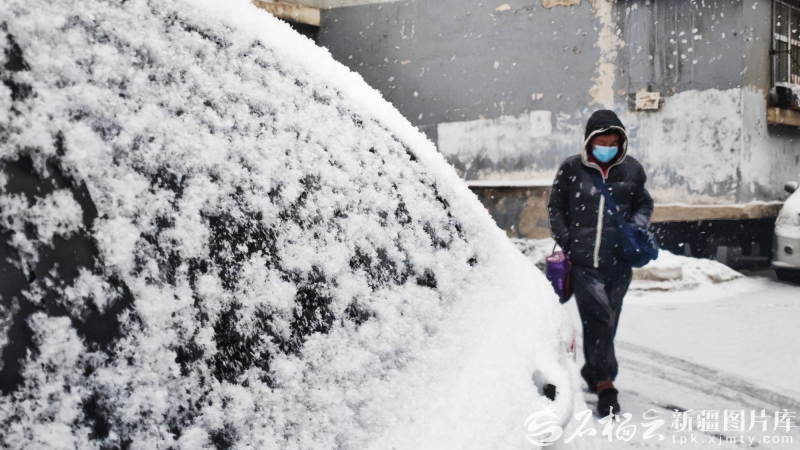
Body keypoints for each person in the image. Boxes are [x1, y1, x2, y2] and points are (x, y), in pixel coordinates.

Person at [547, 110, 654, 417]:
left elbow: (644, 202)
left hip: (618, 263)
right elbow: (556, 207)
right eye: (601, 142)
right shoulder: (571, 169)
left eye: (613, 142)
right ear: (589, 142)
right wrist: (568, 239)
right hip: (583, 264)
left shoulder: (632, 170)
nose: (607, 147)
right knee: (598, 318)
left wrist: (637, 224)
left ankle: (592, 372)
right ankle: (606, 384)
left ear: (621, 144)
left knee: (610, 320)